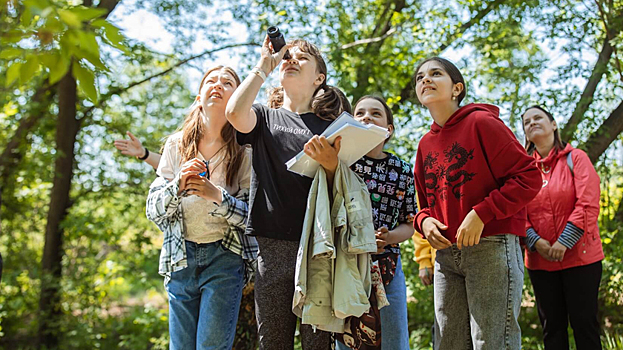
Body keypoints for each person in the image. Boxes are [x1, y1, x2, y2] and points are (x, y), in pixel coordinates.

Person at [225, 36, 351, 349]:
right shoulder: (265, 118)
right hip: (272, 248)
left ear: (319, 78)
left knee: (317, 344)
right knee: (273, 342)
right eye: (287, 57)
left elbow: (345, 190)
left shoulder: (334, 127)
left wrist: (332, 165)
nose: (290, 60)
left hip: (319, 248)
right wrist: (264, 65)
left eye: (301, 58)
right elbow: (233, 114)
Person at [412, 57, 542, 350]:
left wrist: (482, 213)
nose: (425, 80)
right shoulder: (424, 145)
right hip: (446, 256)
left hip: (491, 246)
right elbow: (422, 205)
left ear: (457, 88)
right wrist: (425, 222)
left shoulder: (482, 122)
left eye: (435, 73)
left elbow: (528, 177)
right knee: (448, 344)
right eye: (420, 77)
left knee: (491, 343)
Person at [146, 65, 258, 350]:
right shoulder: (176, 145)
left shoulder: (245, 152)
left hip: (224, 258)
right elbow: (154, 210)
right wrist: (178, 184)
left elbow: (253, 219)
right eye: (211, 81)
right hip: (180, 257)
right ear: (199, 96)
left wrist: (217, 196)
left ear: (236, 99)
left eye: (228, 82)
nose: (218, 85)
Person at [334, 95, 415, 350]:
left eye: (376, 113)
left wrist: (389, 237)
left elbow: (410, 223)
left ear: (388, 129)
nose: (367, 117)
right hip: (346, 266)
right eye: (360, 113)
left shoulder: (402, 169)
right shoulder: (342, 163)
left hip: (388, 267)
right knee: (348, 339)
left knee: (394, 338)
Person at [522, 105, 604, 350]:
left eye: (538, 118)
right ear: (525, 134)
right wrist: (536, 241)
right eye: (527, 122)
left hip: (581, 259)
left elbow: (588, 203)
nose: (532, 123)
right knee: (552, 330)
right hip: (540, 262)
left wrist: (563, 242)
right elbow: (517, 212)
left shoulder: (576, 158)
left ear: (553, 124)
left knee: (584, 325)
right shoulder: (522, 170)